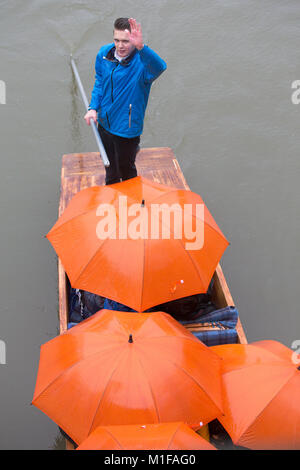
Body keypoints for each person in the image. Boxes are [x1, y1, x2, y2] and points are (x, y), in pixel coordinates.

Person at [84, 17, 167, 185]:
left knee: (126, 170)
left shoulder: (143, 65)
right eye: (117, 40)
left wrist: (141, 47)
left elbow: (160, 67)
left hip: (127, 129)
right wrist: (93, 107)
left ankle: (133, 206)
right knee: (110, 170)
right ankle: (113, 204)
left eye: (126, 41)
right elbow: (99, 82)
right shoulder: (104, 54)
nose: (120, 46)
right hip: (104, 124)